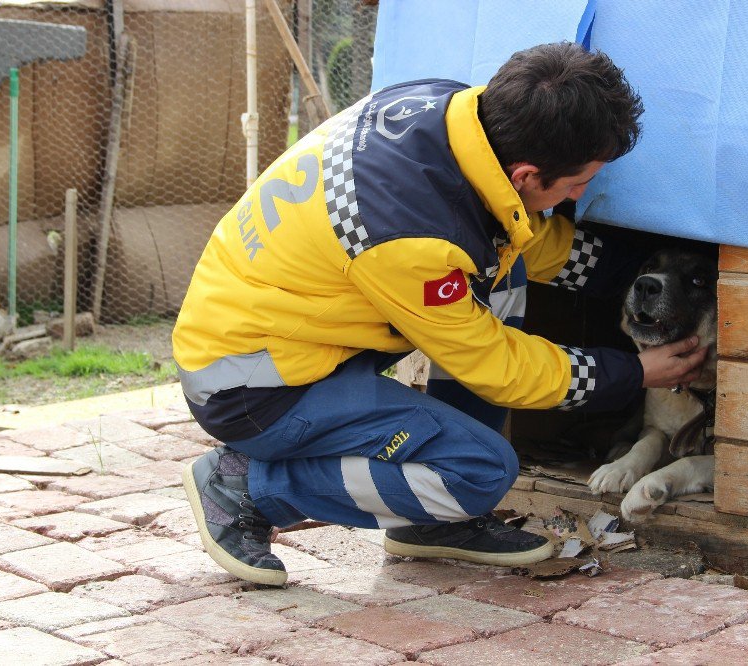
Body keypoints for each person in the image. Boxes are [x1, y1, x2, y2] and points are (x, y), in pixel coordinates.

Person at [173, 42, 708, 586]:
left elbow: (515, 235)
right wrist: (636, 373)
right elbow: (497, 366)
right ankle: (245, 485)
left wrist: (633, 273)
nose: (583, 194)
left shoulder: (453, 110)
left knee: (505, 276)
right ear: (526, 174)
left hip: (299, 334)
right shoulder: (412, 240)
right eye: (577, 184)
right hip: (257, 389)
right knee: (484, 470)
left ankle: (431, 520)